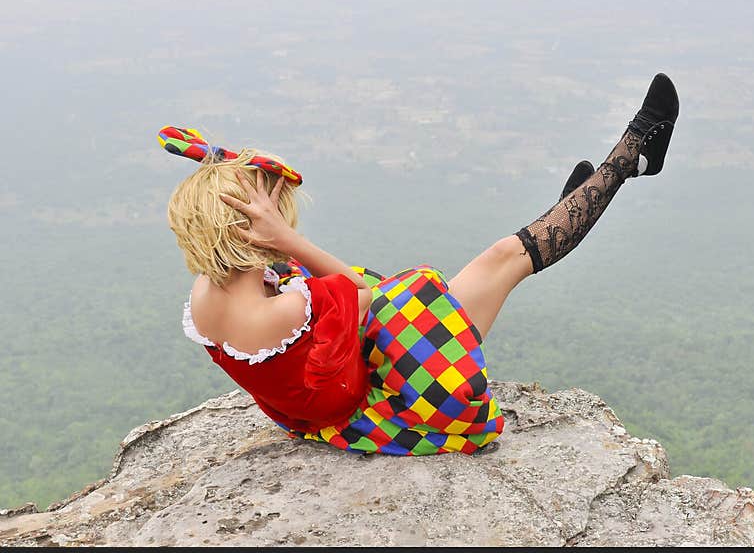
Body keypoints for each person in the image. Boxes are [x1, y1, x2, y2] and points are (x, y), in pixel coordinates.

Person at [164, 72, 679, 456]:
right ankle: (627, 163)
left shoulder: (207, 296)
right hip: (386, 404)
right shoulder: (282, 312)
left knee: (493, 267)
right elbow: (371, 290)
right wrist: (290, 240)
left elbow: (353, 301)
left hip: (323, 395)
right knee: (501, 259)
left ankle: (561, 220)